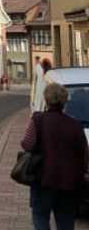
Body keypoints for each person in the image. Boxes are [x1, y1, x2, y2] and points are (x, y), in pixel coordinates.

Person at [21, 83, 88, 230]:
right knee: (65, 222)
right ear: (64, 101)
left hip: (43, 181)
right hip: (68, 184)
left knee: (40, 217)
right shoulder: (75, 125)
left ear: (46, 99)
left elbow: (27, 144)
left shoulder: (38, 120)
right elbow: (84, 156)